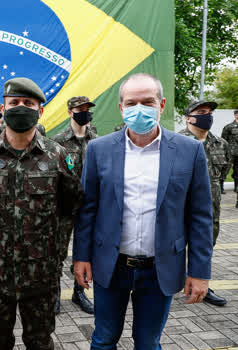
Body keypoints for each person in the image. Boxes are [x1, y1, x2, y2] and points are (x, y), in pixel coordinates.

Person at [73, 73, 213, 350]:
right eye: (131, 102)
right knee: (103, 339)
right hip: (110, 265)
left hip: (159, 267)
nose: (139, 109)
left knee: (148, 342)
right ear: (122, 108)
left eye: (147, 102)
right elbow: (87, 209)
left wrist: (200, 271)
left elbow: (200, 215)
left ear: (161, 105)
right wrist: (81, 257)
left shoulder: (190, 151)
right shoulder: (99, 149)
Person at [0, 77, 83, 349]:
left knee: (40, 342)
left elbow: (70, 205)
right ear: (4, 108)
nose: (21, 107)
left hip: (40, 274)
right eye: (14, 103)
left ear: (40, 111)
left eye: (28, 103)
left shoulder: (59, 155)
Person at [179, 100, 231, 307]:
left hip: (210, 210)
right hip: (180, 209)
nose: (207, 116)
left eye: (209, 112)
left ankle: (202, 285)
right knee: (173, 247)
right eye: (201, 112)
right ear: (188, 117)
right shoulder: (175, 142)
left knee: (206, 246)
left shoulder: (221, 144)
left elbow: (222, 174)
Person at [51, 96, 97, 315]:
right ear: (70, 112)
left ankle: (80, 292)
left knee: (86, 252)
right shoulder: (58, 142)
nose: (84, 113)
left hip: (89, 207)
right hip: (64, 207)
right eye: (80, 109)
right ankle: (55, 293)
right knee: (57, 251)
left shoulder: (97, 141)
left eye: (87, 109)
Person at [221, 110, 238, 197]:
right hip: (230, 152)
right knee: (225, 169)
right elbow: (223, 140)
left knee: (237, 170)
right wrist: (224, 151)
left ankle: (236, 187)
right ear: (235, 115)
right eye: (237, 114)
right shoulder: (228, 127)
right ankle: (220, 187)